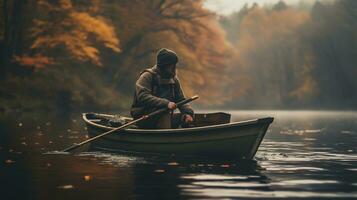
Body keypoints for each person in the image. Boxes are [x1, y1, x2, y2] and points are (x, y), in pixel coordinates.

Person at [130, 48, 194, 129]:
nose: (174, 68)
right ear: (164, 66)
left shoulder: (174, 80)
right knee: (164, 113)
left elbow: (181, 100)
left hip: (164, 117)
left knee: (184, 118)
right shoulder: (147, 76)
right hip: (144, 118)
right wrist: (166, 103)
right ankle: (166, 138)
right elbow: (143, 96)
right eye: (171, 66)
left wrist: (188, 113)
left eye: (174, 65)